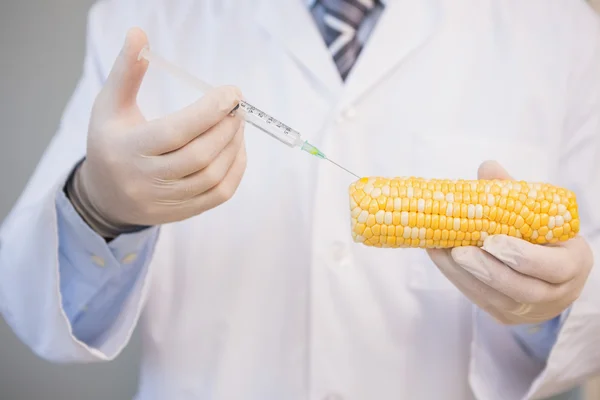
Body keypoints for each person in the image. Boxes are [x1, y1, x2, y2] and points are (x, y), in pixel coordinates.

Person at [1, 0, 599, 399]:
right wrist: (100, 207)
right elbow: (31, 303)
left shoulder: (562, 28)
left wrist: (559, 305)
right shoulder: (146, 17)